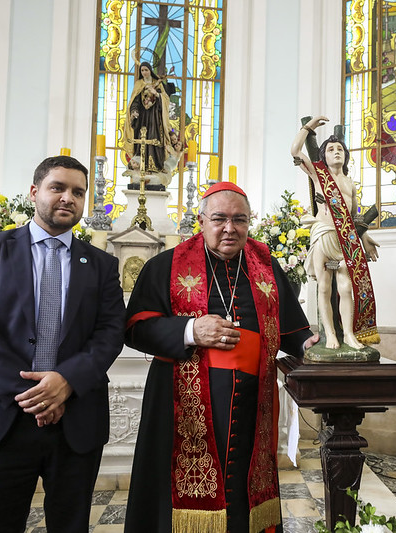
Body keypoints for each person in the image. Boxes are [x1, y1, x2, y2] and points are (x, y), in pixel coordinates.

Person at [123, 181, 318, 533]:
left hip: (252, 410)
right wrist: (190, 331)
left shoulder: (267, 266)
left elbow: (292, 330)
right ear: (201, 221)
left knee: (243, 497)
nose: (230, 228)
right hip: (180, 410)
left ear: (249, 222)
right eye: (219, 219)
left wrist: (310, 345)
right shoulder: (166, 265)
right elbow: (136, 328)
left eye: (239, 219)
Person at [0, 155, 125, 532]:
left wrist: (66, 381)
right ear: (34, 192)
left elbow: (110, 332)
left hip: (74, 417)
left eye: (78, 192)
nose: (68, 198)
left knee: (71, 525)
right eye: (57, 187)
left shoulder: (101, 265)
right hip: (0, 414)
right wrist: (36, 394)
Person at [291, 115, 380, 350]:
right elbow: (295, 150)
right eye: (331, 149)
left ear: (346, 155)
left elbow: (354, 217)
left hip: (345, 241)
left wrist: (365, 238)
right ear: (324, 156)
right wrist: (308, 127)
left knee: (346, 287)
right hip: (324, 236)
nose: (336, 152)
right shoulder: (318, 174)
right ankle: (330, 333)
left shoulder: (350, 184)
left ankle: (348, 334)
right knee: (324, 286)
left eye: (340, 148)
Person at [124, 61, 173, 182]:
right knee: (141, 140)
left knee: (154, 139)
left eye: (146, 70)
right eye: (142, 70)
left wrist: (156, 94)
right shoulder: (139, 84)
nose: (144, 72)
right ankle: (142, 167)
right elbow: (134, 101)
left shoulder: (157, 83)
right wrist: (134, 112)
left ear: (150, 70)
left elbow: (165, 100)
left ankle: (155, 166)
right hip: (142, 119)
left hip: (155, 118)